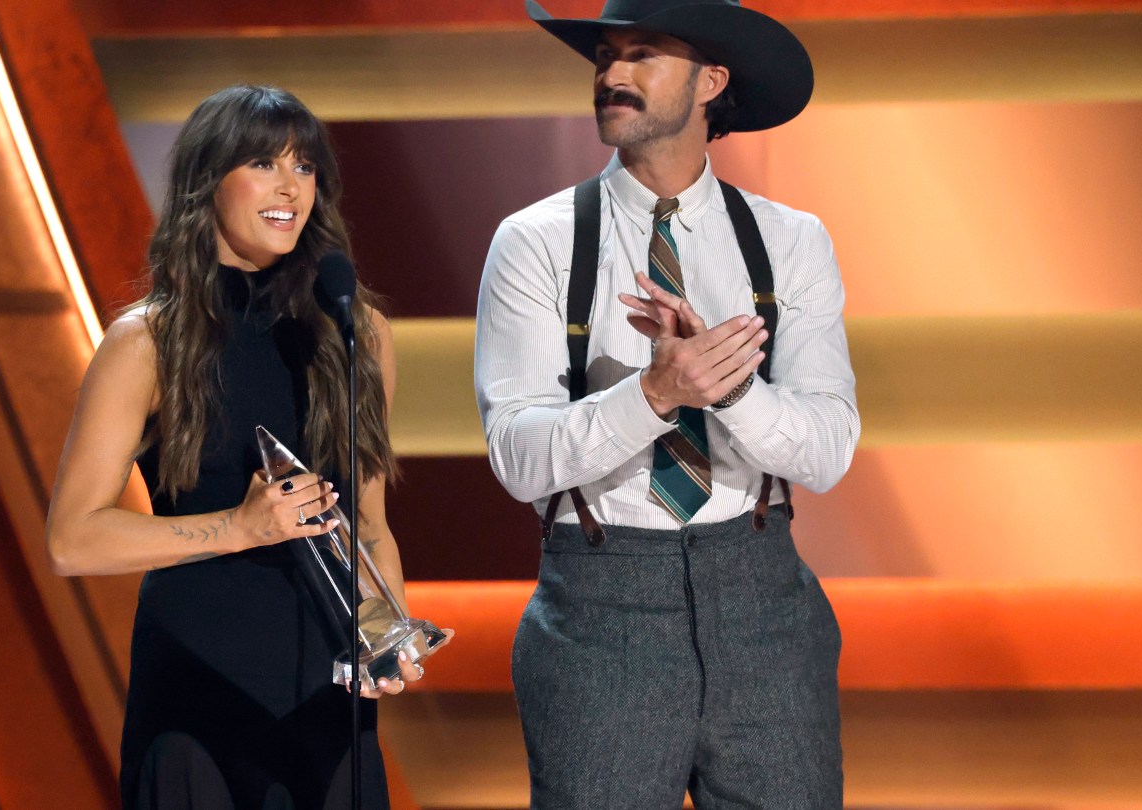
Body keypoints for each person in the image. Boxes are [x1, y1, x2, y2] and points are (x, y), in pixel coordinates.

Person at [475, 1, 860, 807]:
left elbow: (827, 452)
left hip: (763, 606)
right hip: (598, 612)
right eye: (605, 56)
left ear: (710, 82)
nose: (612, 74)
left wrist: (731, 390)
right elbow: (517, 458)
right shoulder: (535, 240)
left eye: (642, 54)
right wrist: (654, 394)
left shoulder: (791, 240)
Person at [46, 84, 425, 810]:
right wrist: (240, 527)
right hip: (200, 696)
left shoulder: (357, 332)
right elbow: (72, 539)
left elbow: (369, 524)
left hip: (328, 703)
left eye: (305, 167)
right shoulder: (147, 342)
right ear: (206, 183)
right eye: (263, 163)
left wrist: (385, 634)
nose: (291, 186)